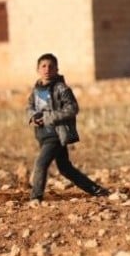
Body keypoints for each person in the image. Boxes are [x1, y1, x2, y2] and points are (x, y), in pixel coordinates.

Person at [25, 53, 110, 202]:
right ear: (37, 69)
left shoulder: (61, 88)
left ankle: (36, 197)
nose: (47, 69)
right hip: (42, 134)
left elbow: (72, 109)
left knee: (40, 163)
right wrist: (33, 117)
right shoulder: (36, 90)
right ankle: (96, 190)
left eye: (51, 66)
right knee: (65, 168)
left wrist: (47, 117)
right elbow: (29, 108)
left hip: (56, 134)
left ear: (57, 69)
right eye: (43, 66)